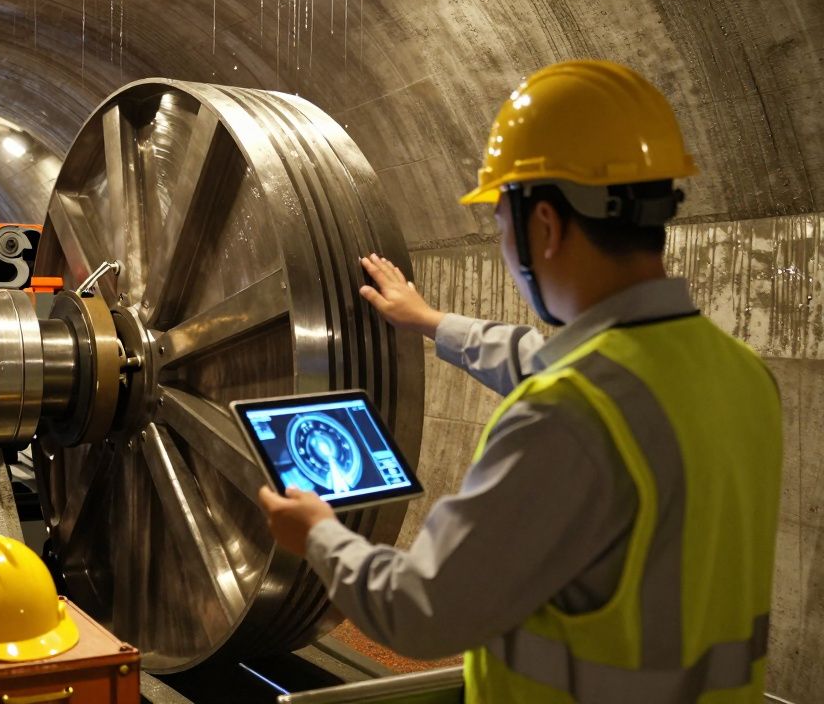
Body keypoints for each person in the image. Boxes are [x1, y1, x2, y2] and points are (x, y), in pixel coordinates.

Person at [258, 60, 782, 702]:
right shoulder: (740, 376)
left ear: (545, 226)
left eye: (500, 224)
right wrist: (429, 320)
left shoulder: (564, 414)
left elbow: (421, 611)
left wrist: (317, 535)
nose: (505, 244)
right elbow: (543, 357)